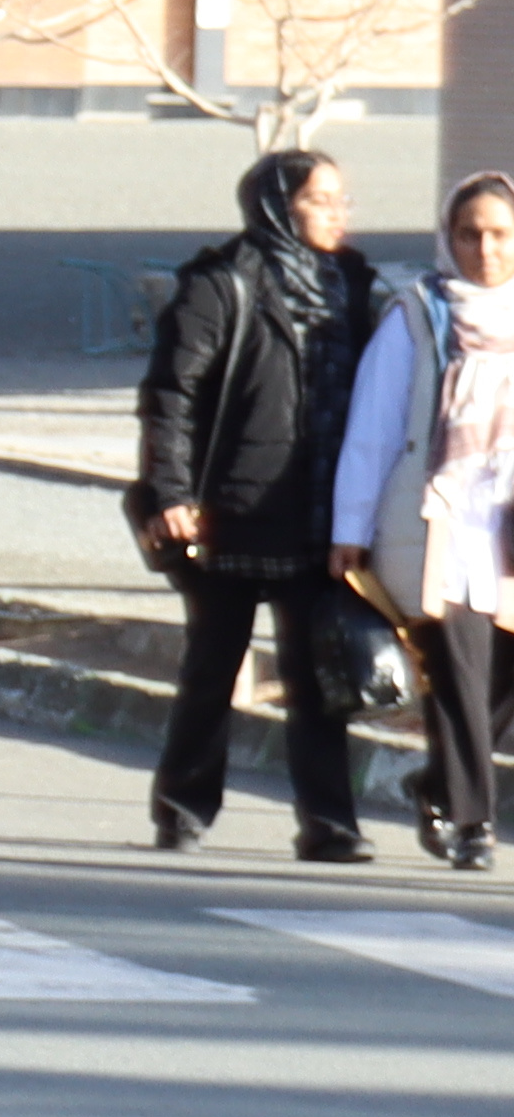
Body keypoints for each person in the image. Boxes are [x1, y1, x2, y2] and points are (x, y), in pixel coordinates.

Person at [140, 147, 380, 859]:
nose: (338, 213)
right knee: (214, 667)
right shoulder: (223, 285)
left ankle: (330, 826)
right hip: (231, 513)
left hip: (321, 513)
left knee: (321, 677)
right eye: (320, 200)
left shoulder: (355, 286)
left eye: (341, 199)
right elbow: (171, 395)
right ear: (279, 207)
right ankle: (183, 810)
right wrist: (171, 491)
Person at [341, 171, 514, 869]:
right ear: (448, 237)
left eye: (500, 233)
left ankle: (439, 783)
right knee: (461, 669)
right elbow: (374, 430)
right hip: (439, 517)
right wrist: (348, 529)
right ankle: (473, 824)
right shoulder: (418, 315)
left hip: (507, 524)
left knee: (500, 675)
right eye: (469, 233)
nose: (485, 248)